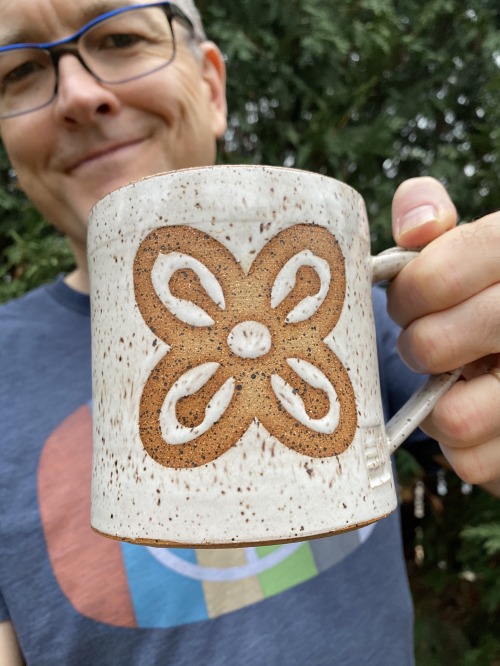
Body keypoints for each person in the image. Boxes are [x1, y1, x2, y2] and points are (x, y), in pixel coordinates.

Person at [0, 1, 498, 664]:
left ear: (210, 87)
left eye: (120, 37)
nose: (80, 95)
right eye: (21, 71)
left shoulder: (349, 322)